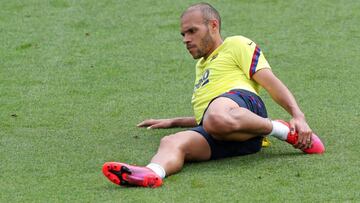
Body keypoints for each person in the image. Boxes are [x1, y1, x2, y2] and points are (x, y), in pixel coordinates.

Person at [102, 3, 325, 188]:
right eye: (183, 34)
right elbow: (209, 117)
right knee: (172, 141)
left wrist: (298, 115)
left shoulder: (235, 44)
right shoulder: (201, 67)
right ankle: (151, 173)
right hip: (233, 135)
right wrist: (176, 121)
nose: (185, 39)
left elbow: (271, 82)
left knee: (216, 116)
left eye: (192, 31)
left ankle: (283, 130)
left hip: (246, 106)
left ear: (213, 26)